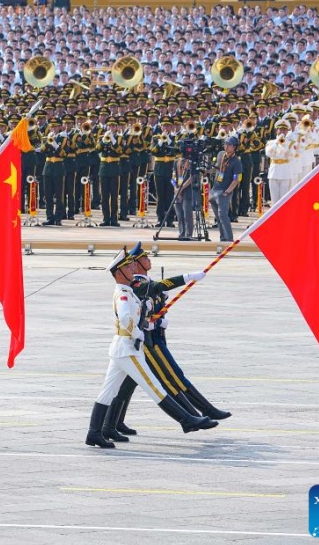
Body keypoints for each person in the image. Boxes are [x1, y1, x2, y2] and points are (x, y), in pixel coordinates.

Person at [85, 243, 217, 449]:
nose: (132, 269)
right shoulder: (123, 294)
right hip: (128, 349)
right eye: (127, 267)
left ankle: (94, 433)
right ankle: (186, 420)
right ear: (119, 273)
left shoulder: (128, 292)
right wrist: (137, 332)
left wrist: (147, 319)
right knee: (153, 386)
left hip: (122, 349)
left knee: (108, 392)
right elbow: (126, 318)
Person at [208, 136, 241, 242]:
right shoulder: (221, 155)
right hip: (215, 189)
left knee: (223, 216)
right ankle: (223, 238)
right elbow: (216, 167)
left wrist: (227, 191)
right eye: (225, 144)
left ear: (234, 147)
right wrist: (207, 171)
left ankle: (229, 239)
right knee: (218, 218)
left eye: (229, 145)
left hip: (224, 191)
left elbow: (236, 179)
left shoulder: (236, 161)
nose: (226, 146)